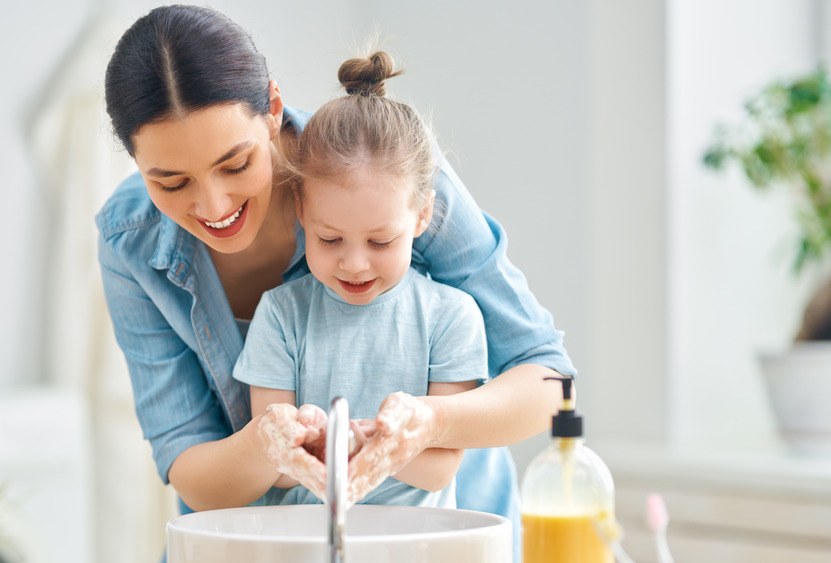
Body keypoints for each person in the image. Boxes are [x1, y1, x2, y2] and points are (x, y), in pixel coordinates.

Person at [96, 4, 576, 558]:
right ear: (135, 161)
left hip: (437, 536)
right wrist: (263, 447)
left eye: (234, 164)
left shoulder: (388, 168)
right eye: (171, 181)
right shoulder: (128, 239)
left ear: (272, 109)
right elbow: (189, 466)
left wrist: (431, 423)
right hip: (261, 544)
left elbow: (548, 380)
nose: (213, 205)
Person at [232, 50, 487, 510]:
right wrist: (299, 438)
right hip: (306, 544)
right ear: (301, 211)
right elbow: (279, 471)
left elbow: (439, 470)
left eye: (380, 243)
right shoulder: (281, 314)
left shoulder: (451, 317)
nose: (354, 264)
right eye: (329, 240)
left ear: (422, 215)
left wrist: (352, 442)